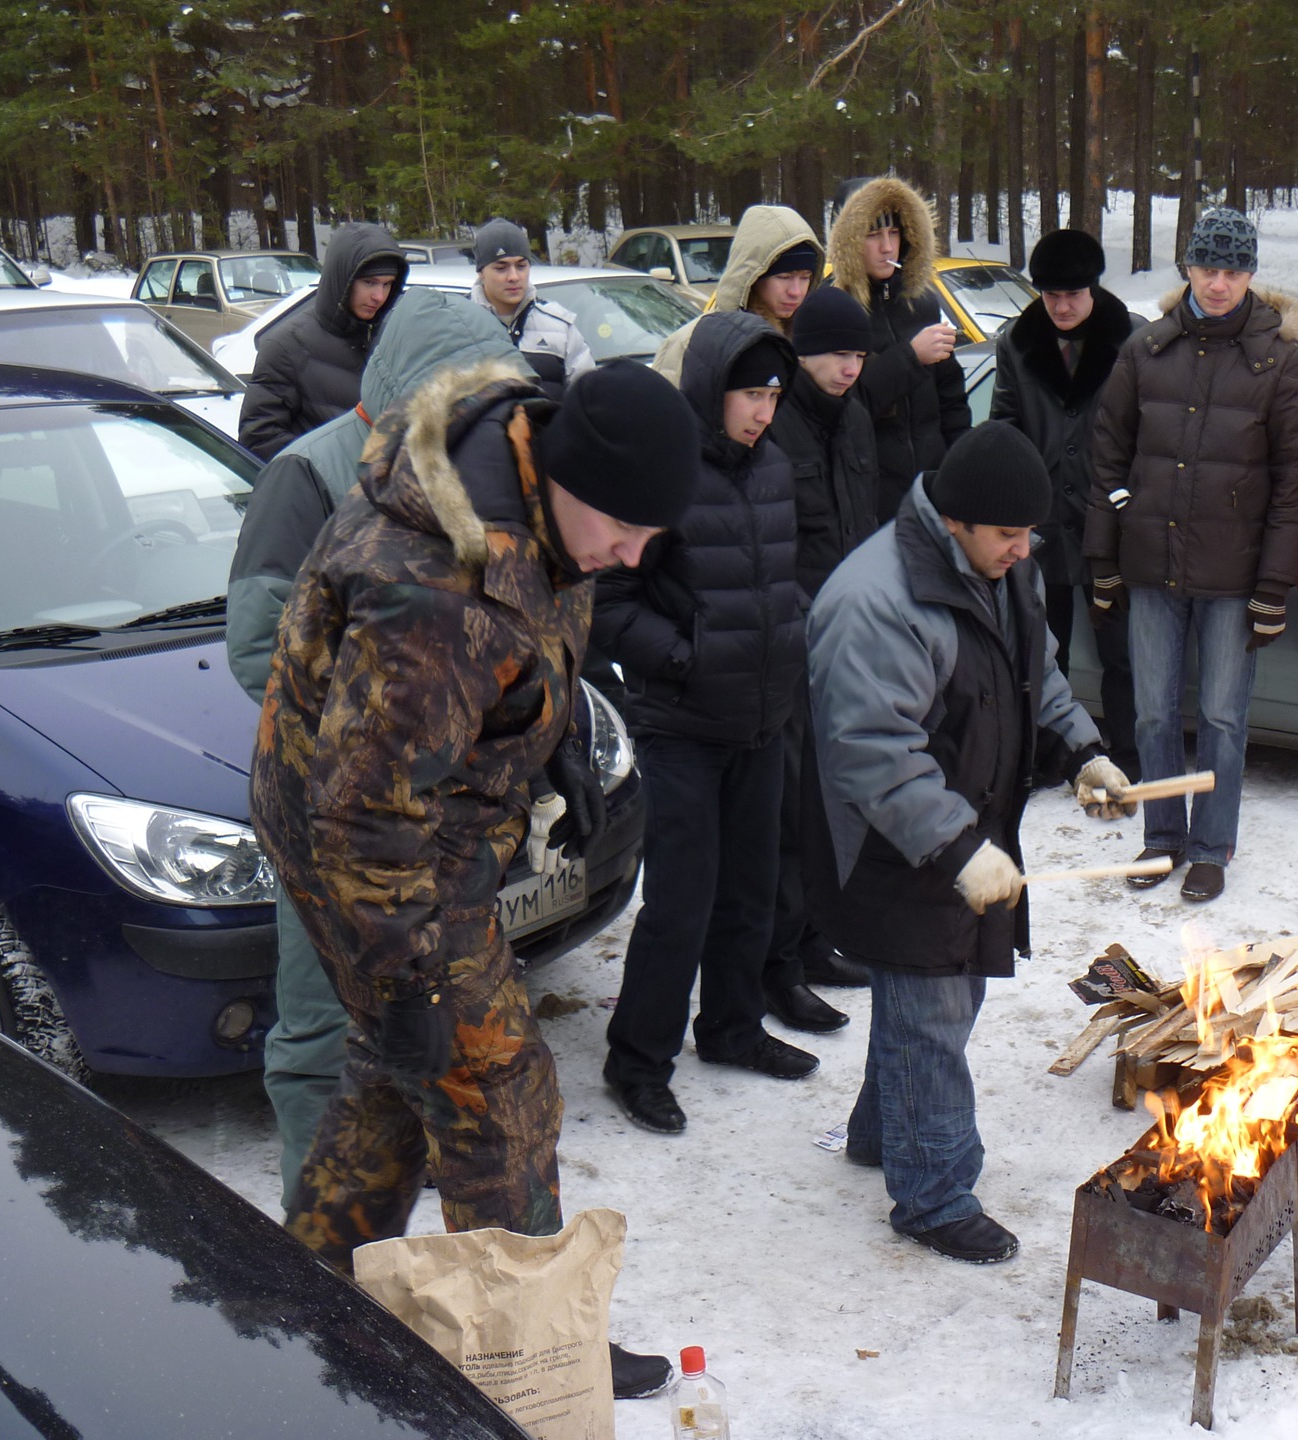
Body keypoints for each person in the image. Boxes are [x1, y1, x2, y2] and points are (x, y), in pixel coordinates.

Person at [247, 350, 698, 1397]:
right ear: (562, 480)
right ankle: (526, 1359)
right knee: (494, 1091)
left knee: (397, 1081)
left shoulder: (541, 487)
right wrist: (407, 981)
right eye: (623, 531)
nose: (633, 557)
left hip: (422, 821)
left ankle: (289, 1305)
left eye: (651, 536)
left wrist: (557, 747)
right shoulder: (435, 594)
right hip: (367, 851)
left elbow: (539, 627)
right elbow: (364, 818)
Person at [228, 288, 535, 1215]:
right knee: (326, 1039)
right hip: (335, 821)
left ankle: (442, 1276)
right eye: (467, 393)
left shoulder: (467, 476)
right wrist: (382, 748)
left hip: (437, 829)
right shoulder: (309, 476)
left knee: (443, 1034)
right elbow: (256, 648)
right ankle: (324, 1278)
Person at [805, 420, 1133, 1264]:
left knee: (932, 1003)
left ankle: (883, 1135)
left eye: (1032, 535)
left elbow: (1037, 674)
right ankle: (935, 1195)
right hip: (894, 845)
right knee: (933, 1009)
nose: (1025, 551)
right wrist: (956, 848)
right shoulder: (878, 599)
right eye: (1008, 535)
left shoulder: (1000, 568)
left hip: (964, 825)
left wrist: (1082, 752)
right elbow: (873, 751)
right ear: (954, 520)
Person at [595, 312, 813, 1136]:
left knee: (750, 889)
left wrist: (792, 640)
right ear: (709, 390)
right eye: (747, 394)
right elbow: (608, 601)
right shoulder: (667, 475)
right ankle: (638, 1060)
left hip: (760, 714)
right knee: (682, 899)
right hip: (680, 722)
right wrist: (681, 658)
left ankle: (730, 1027)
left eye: (772, 395)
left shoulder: (775, 470)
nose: (762, 410)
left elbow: (779, 582)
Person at [1083, 206, 1298, 903]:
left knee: (1222, 716)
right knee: (1153, 713)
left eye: (1234, 270)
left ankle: (1212, 845)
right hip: (1153, 567)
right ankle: (1161, 838)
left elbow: (1294, 487)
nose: (1219, 284)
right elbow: (1109, 459)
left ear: (1251, 274)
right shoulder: (1147, 349)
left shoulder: (1282, 360)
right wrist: (1107, 553)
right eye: (1208, 268)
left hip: (1234, 576)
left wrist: (1274, 587)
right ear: (1187, 267)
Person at [760, 286, 883, 1032]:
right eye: (838, 353)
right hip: (787, 641)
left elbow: (863, 528)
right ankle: (779, 963)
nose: (849, 368)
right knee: (788, 812)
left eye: (860, 355)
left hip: (847, 638)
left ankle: (814, 938)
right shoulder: (777, 424)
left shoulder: (858, 418)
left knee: (832, 804)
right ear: (803, 352)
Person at [991, 226, 1144, 778]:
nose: (1060, 306)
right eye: (1050, 295)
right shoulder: (1016, 342)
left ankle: (1128, 757)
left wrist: (1130, 502)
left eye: (1072, 295)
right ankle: (1045, 757)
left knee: (1120, 655)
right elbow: (1005, 425)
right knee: (1040, 651)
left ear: (1094, 290)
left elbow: (1148, 432)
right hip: (1042, 524)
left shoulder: (1133, 340)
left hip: (1111, 525)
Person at [826, 175, 970, 517]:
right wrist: (909, 358)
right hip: (872, 501)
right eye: (873, 235)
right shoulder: (833, 308)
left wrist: (957, 468)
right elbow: (840, 408)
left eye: (893, 233)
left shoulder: (920, 302)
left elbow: (951, 398)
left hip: (932, 494)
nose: (887, 247)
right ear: (848, 240)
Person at [238, 222, 407, 458]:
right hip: (320, 491)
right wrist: (330, 468)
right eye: (369, 282)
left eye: (387, 284)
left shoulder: (393, 338)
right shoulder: (287, 345)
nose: (378, 296)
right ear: (344, 280)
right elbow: (259, 438)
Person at [651, 203, 821, 386]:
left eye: (805, 278)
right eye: (784, 277)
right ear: (753, 277)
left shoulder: (816, 343)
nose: (796, 291)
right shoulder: (693, 344)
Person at [470, 217, 593, 397]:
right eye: (501, 268)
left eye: (521, 266)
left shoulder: (560, 326)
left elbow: (587, 397)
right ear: (481, 272)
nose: (513, 276)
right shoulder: (457, 324)